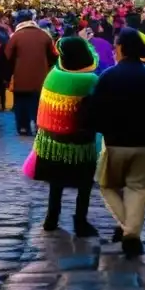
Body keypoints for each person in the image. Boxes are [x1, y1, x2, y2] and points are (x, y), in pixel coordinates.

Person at [91, 29, 145, 258]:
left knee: (107, 185)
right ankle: (132, 234)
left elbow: (95, 112)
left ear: (121, 48)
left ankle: (129, 230)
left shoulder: (108, 76)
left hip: (115, 143)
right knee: (138, 189)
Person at [25, 36, 100, 237]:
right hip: (80, 142)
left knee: (56, 183)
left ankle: (51, 218)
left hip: (51, 140)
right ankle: (80, 220)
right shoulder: (90, 80)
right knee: (84, 184)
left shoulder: (53, 75)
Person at [6, 10, 59, 136]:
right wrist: (45, 66)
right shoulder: (44, 35)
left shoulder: (15, 36)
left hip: (20, 78)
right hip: (40, 79)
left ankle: (23, 127)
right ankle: (38, 125)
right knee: (38, 104)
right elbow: (54, 55)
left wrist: (11, 72)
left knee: (20, 104)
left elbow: (7, 56)